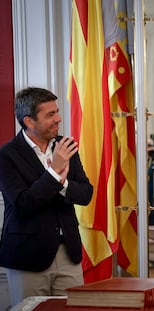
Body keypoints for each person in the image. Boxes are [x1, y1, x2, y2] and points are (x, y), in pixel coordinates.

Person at [0, 87, 93, 306]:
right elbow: (23, 203)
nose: (59, 119)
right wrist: (54, 173)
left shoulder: (66, 146)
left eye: (57, 112)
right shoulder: (6, 155)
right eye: (50, 114)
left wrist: (62, 183)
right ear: (29, 121)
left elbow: (86, 194)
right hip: (27, 257)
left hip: (68, 254)